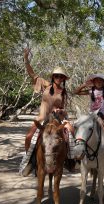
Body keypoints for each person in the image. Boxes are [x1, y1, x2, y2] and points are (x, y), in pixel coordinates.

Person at [20, 48, 72, 176]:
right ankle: (31, 163)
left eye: (61, 76)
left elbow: (65, 109)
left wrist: (61, 111)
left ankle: (69, 161)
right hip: (42, 118)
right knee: (28, 137)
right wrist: (26, 59)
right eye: (56, 76)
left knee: (71, 134)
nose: (59, 78)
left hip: (57, 119)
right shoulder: (45, 85)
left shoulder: (64, 92)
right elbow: (32, 74)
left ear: (63, 78)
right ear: (53, 77)